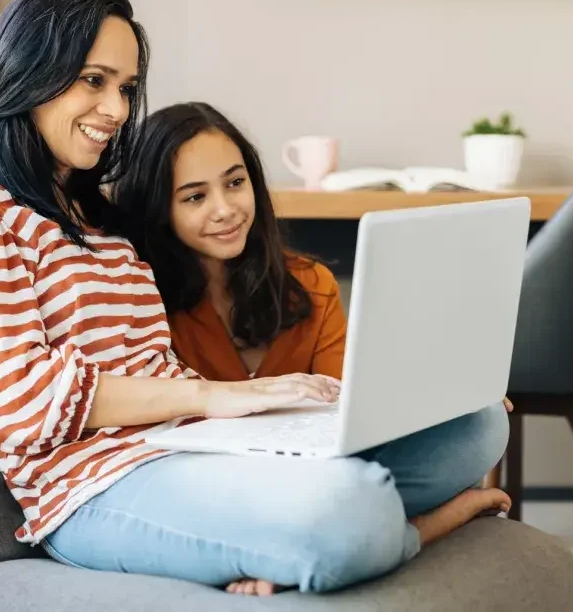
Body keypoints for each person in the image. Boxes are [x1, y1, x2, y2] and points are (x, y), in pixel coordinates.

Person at [0, 0, 510, 599]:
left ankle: (297, 535)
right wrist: (210, 397)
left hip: (190, 446)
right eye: (94, 81)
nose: (117, 111)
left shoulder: (94, 217)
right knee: (349, 509)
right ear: (28, 68)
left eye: (125, 88)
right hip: (90, 488)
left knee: (475, 427)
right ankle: (409, 531)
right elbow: (17, 402)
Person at [113, 101, 513, 594]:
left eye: (235, 183)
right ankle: (423, 527)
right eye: (194, 197)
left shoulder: (309, 282)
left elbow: (349, 409)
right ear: (158, 209)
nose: (225, 209)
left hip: (325, 471)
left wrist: (438, 398)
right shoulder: (141, 304)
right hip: (231, 488)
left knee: (484, 424)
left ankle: (331, 537)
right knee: (353, 498)